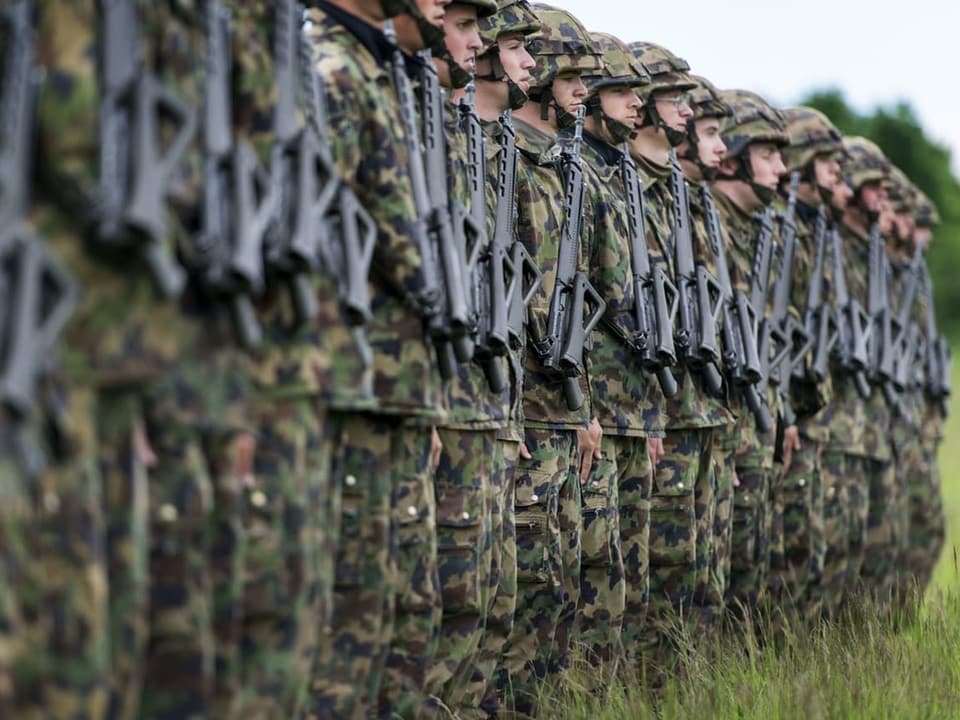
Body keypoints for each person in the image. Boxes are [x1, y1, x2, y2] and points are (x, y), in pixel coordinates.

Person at [304, 0, 447, 715]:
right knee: (350, 604)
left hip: (388, 382)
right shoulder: (333, 71)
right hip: (347, 377)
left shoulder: (375, 71)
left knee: (391, 601)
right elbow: (316, 229)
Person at [499, 4, 601, 713]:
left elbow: (586, 298)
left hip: (561, 405)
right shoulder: (501, 154)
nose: (578, 90)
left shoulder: (569, 172)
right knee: (521, 587)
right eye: (569, 73)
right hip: (519, 404)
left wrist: (583, 407)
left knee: (559, 585)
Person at [628, 41, 733, 664]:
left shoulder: (682, 197)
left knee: (699, 569)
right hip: (653, 409)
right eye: (676, 102)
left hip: (698, 407)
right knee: (655, 573)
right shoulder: (619, 183)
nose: (690, 119)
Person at [458, 1, 541, 713]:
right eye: (515, 48)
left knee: (495, 599)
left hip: (500, 401)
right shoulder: (454, 133)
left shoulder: (511, 153)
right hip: (448, 399)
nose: (528, 64)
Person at [572, 30, 651, 678]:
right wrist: (587, 408)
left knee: (626, 575)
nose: (640, 105)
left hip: (631, 404)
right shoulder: (580, 170)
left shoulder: (625, 179)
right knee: (586, 573)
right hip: (589, 400)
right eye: (624, 91)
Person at [710, 88, 791, 621]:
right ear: (736, 157)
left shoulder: (756, 233)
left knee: (747, 575)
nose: (782, 169)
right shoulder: (701, 221)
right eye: (768, 154)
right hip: (716, 421)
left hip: (754, 421)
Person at [766, 106, 846, 625]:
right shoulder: (782, 230)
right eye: (826, 160)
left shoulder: (814, 230)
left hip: (808, 404)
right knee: (780, 547)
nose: (837, 172)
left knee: (809, 542)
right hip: (781, 410)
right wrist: (785, 412)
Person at [673, 74, 739, 633]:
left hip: (708, 413)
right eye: (713, 133)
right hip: (664, 414)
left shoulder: (699, 208)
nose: (722, 148)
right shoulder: (659, 198)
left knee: (706, 575)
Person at [836, 136, 898, 609]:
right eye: (874, 186)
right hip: (832, 422)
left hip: (864, 420)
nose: (883, 197)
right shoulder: (832, 245)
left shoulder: (868, 251)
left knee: (865, 542)